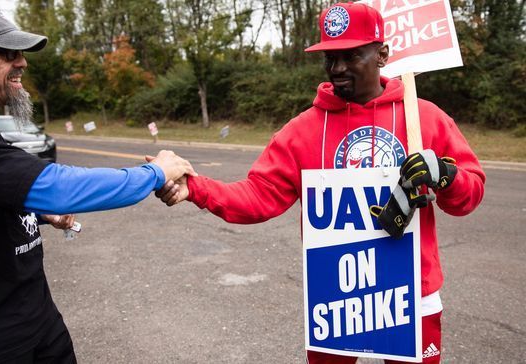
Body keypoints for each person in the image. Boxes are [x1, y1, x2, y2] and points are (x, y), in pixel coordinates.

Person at [156, 2, 485, 363]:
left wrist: (447, 176)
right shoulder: (302, 131)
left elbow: (468, 196)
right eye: (330, 57)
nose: (337, 68)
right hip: (336, 298)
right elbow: (257, 197)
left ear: (382, 55)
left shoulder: (424, 118)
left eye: (351, 55)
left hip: (412, 293)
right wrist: (196, 188)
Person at [0, 3, 195, 363]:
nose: (22, 62)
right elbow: (60, 186)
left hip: (35, 321)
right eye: (6, 52)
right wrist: (157, 172)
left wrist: (42, 215)